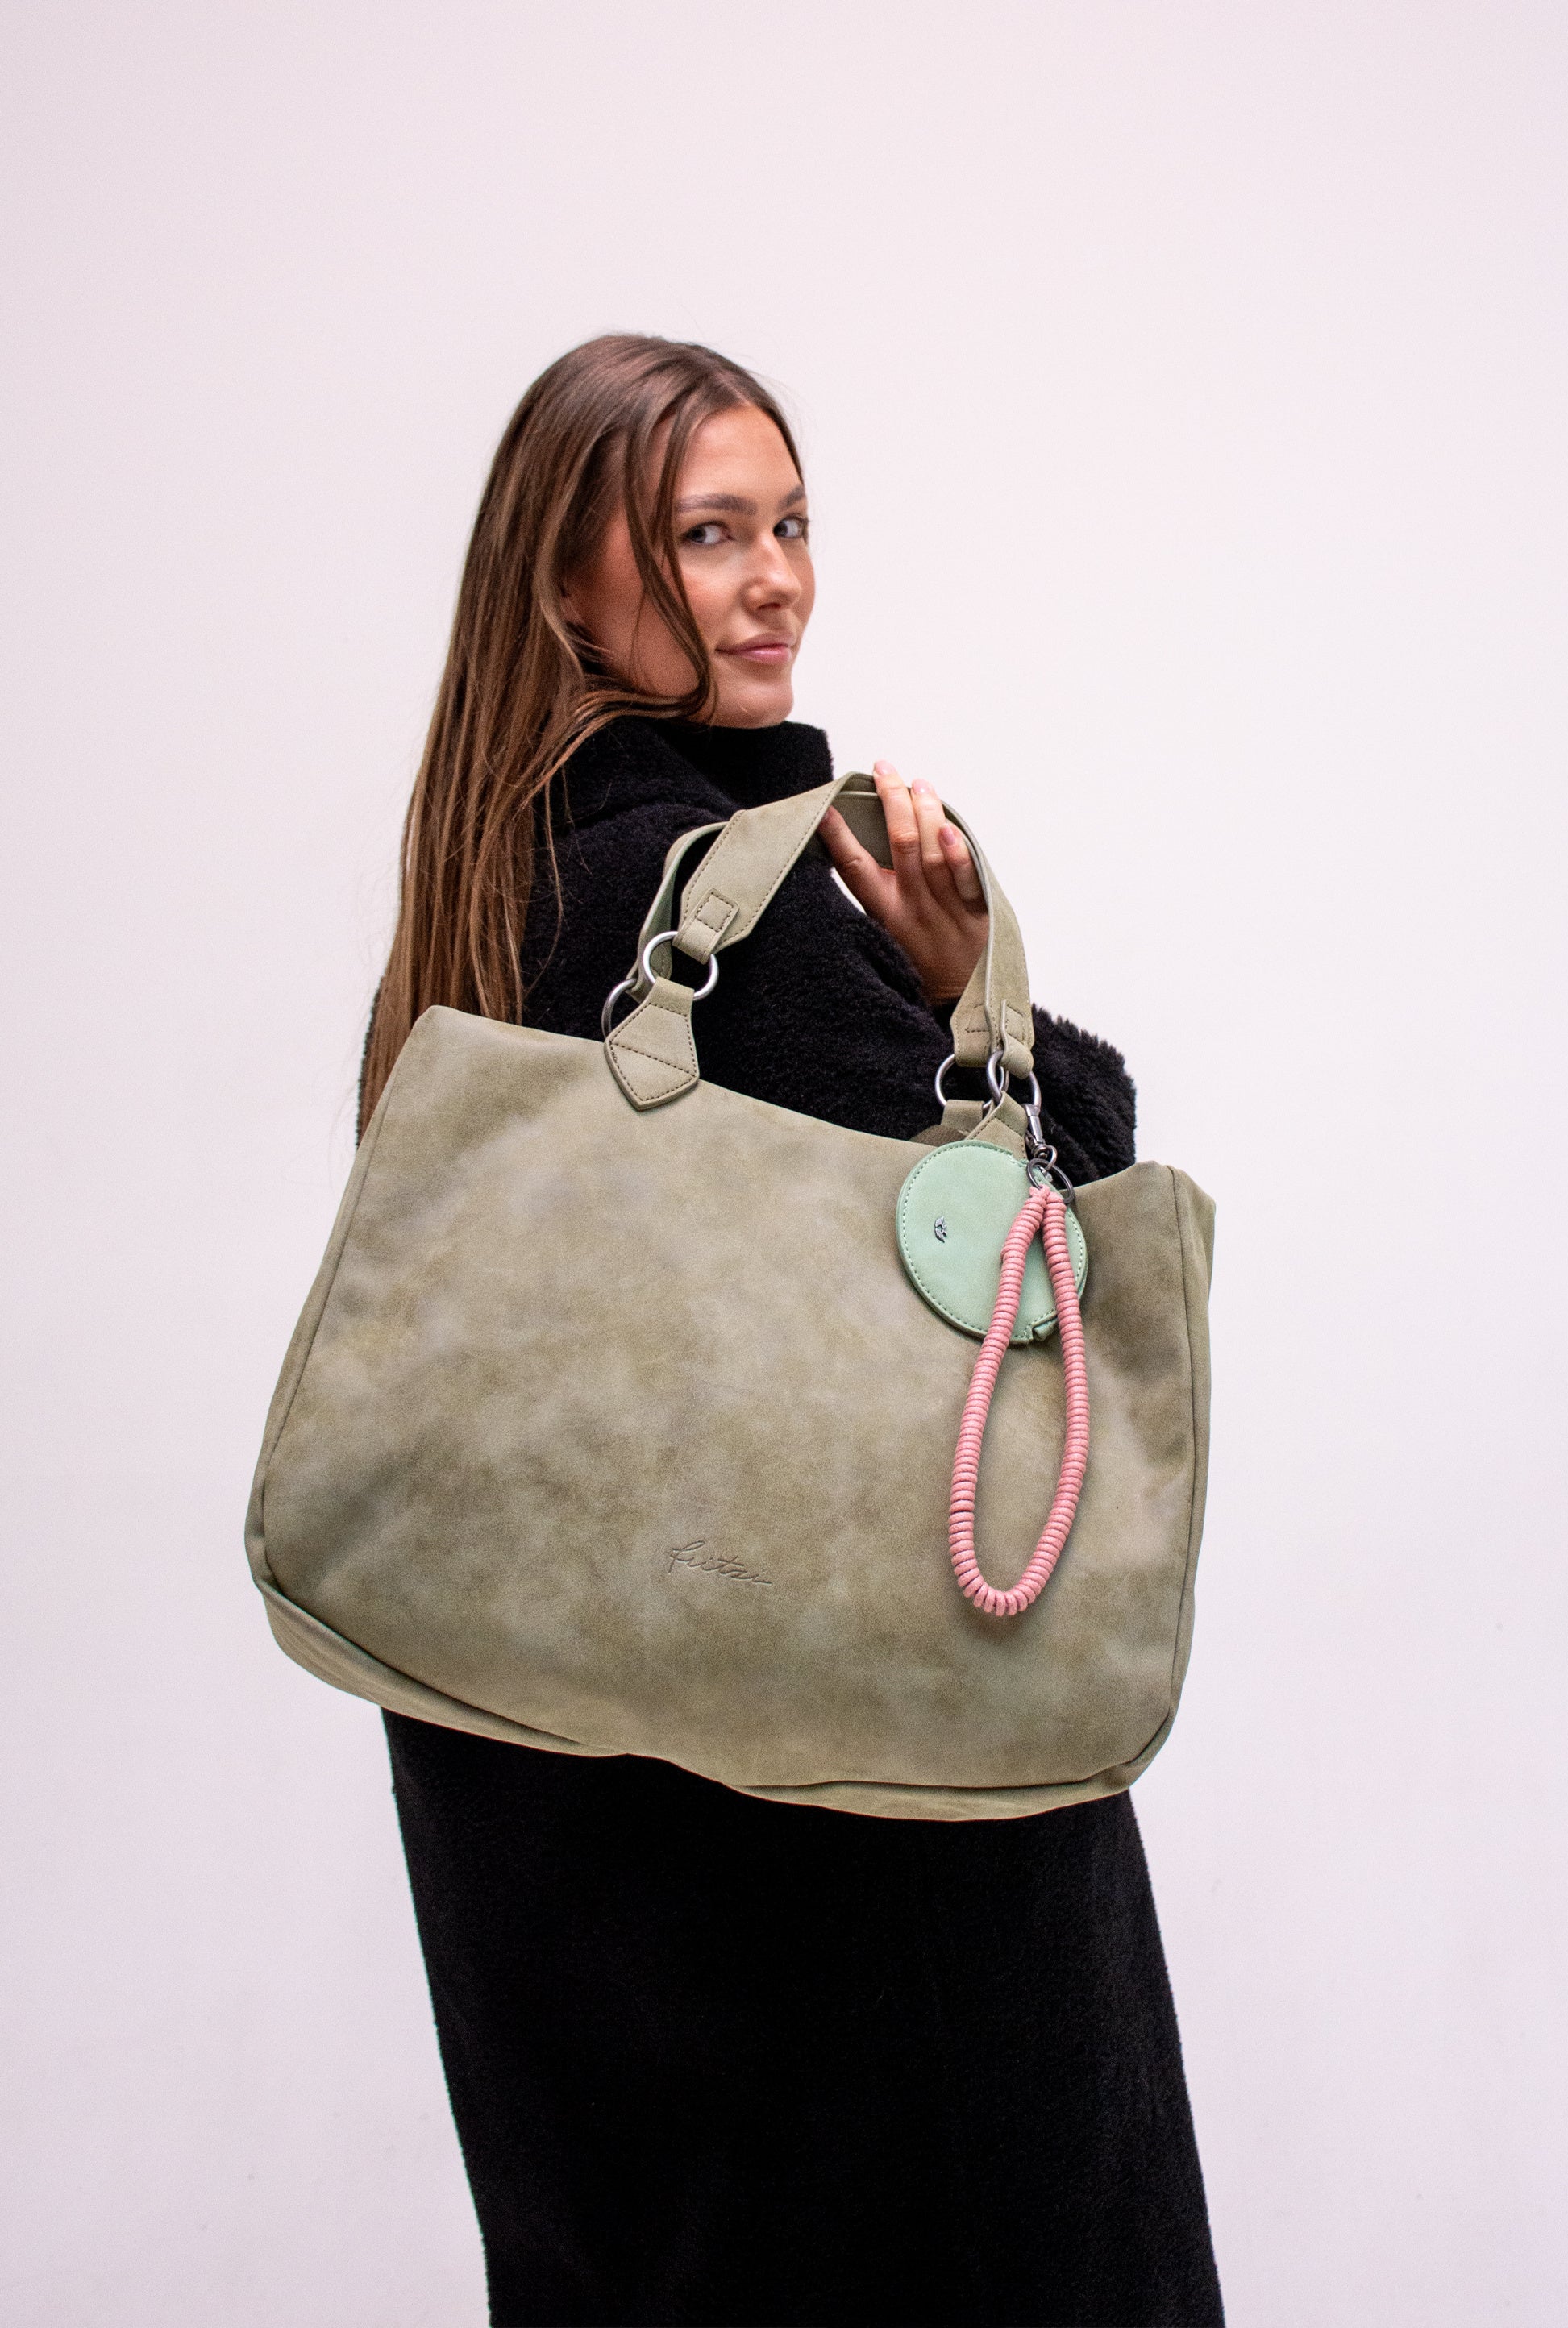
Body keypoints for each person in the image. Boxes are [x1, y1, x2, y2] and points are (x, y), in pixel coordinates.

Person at [360, 334, 1222, 2328]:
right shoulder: (703, 912)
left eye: (791, 524)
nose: (776, 582)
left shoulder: (488, 897)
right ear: (564, 584)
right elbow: (1028, 1246)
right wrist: (964, 995)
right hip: (853, 1863)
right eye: (706, 535)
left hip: (582, 1856)